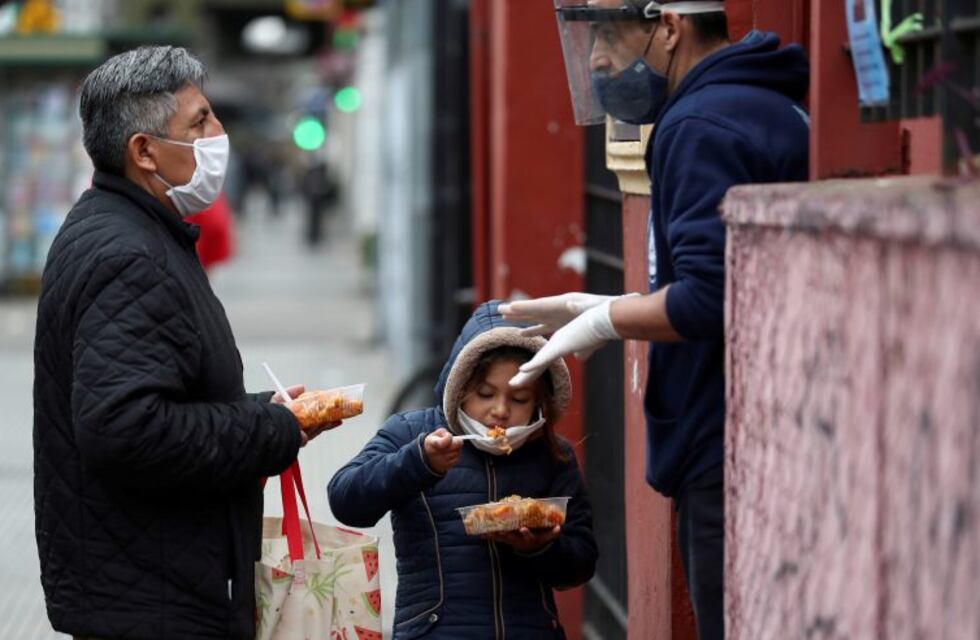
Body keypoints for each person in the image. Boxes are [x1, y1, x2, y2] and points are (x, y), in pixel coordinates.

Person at [501, 2, 810, 638]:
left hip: (724, 441)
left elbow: (708, 296)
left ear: (669, 27)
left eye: (609, 36)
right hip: (778, 426)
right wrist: (602, 309)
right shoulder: (759, 104)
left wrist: (608, 319)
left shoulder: (697, 124)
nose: (598, 60)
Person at [33, 46, 336, 640]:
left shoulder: (129, 229)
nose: (218, 134)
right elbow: (126, 429)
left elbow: (152, 389)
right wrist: (268, 434)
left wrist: (258, 411)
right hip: (156, 600)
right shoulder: (128, 255)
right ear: (143, 152)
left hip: (147, 582)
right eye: (198, 123)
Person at [328, 301, 597, 639]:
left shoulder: (552, 454)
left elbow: (581, 563)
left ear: (539, 402)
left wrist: (538, 547)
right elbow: (344, 499)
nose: (499, 411)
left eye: (519, 400)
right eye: (485, 394)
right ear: (460, 385)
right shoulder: (413, 433)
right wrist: (418, 463)